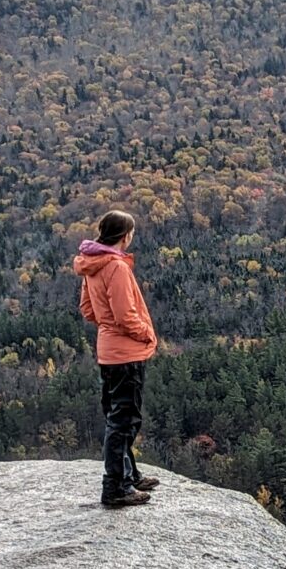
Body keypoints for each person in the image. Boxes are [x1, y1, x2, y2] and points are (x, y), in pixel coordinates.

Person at [74, 210, 162, 507]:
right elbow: (126, 316)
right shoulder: (117, 267)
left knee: (118, 416)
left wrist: (108, 327)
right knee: (124, 421)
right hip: (126, 352)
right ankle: (115, 488)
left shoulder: (92, 265)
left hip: (107, 352)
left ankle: (129, 474)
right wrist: (146, 334)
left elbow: (88, 310)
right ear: (126, 236)